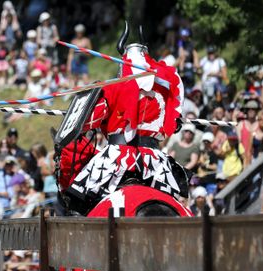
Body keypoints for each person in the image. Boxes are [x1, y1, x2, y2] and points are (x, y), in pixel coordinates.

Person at [59, 23, 188, 215]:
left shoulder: (113, 87)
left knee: (78, 202)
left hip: (118, 157)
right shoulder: (165, 90)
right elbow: (174, 122)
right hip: (154, 162)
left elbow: (88, 123)